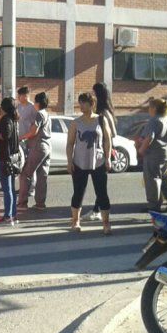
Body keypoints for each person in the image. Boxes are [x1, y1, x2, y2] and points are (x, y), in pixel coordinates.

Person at [67, 92, 113, 234]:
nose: (80, 105)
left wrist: (108, 158)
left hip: (98, 161)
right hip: (79, 162)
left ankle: (106, 224)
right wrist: (69, 161)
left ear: (92, 104)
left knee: (102, 193)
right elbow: (70, 143)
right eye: (79, 102)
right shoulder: (76, 122)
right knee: (78, 193)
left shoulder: (101, 120)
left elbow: (107, 139)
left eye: (83, 102)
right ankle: (75, 222)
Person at [138, 98, 167, 212]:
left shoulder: (154, 120)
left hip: (154, 154)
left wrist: (141, 149)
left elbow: (150, 137)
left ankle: (154, 205)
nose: (149, 110)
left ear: (154, 108)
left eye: (149, 107)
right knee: (163, 177)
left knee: (152, 179)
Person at [84, 82, 117, 221]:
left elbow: (113, 133)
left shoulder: (104, 113)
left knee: (100, 184)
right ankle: (97, 210)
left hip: (103, 151)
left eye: (94, 93)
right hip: (100, 151)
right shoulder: (105, 110)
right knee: (100, 184)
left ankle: (98, 211)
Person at [0, 97, 20, 226]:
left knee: (7, 189)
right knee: (11, 188)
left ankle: (8, 217)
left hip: (4, 157)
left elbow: (4, 136)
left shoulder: (6, 120)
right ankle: (13, 215)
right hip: (12, 158)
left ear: (4, 107)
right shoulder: (13, 119)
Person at [17, 92, 52, 210]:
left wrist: (21, 137)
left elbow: (33, 131)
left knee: (25, 173)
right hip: (47, 146)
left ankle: (22, 203)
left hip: (38, 146)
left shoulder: (39, 115)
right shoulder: (47, 114)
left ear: (37, 103)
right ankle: (40, 203)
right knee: (42, 175)